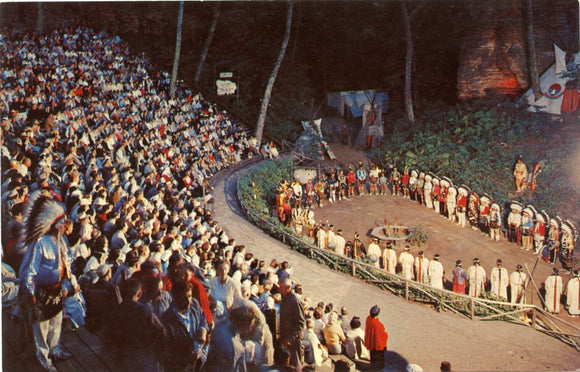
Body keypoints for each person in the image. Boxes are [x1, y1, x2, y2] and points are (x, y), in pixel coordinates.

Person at [19, 194, 74, 371]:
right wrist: (31, 293)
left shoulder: (62, 242)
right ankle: (44, 359)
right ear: (55, 224)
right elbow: (30, 271)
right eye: (63, 223)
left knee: (55, 323)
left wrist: (67, 284)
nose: (66, 226)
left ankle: (55, 350)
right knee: (41, 328)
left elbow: (66, 265)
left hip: (57, 290)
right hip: (41, 291)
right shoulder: (41, 243)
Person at [110, 278, 166, 372]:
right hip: (145, 357)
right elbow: (161, 331)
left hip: (125, 357)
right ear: (139, 294)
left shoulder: (116, 312)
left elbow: (113, 336)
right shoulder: (144, 311)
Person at [160, 279, 209, 371]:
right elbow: (164, 354)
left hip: (199, 364)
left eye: (190, 296)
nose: (188, 301)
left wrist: (203, 330)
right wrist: (186, 359)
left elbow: (202, 317)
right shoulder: (166, 321)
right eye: (183, 298)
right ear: (174, 298)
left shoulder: (194, 305)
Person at [278, 278, 306, 370]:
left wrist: (290, 339)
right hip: (285, 338)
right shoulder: (284, 298)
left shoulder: (294, 302)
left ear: (288, 287)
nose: (279, 289)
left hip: (292, 341)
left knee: (295, 366)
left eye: (281, 287)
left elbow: (301, 323)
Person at [364, 305, 388, 369]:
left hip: (372, 342)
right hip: (378, 344)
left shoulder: (368, 318)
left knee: (373, 356)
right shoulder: (376, 324)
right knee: (379, 358)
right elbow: (383, 335)